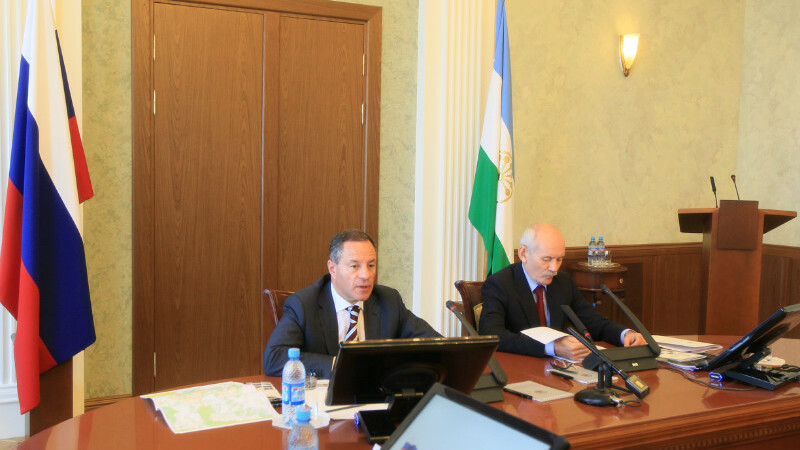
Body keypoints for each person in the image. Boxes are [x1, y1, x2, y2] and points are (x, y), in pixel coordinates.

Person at [263, 229, 440, 378]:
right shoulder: (304, 304)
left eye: (371, 265)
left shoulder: (388, 300)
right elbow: (274, 358)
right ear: (332, 268)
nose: (366, 275)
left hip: (376, 396)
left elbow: (436, 345)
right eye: (354, 266)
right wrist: (340, 365)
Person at [478, 222, 646, 361]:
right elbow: (492, 335)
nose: (554, 268)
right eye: (547, 259)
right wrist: (553, 347)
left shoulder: (563, 282)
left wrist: (624, 334)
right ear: (523, 254)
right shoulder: (500, 284)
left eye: (559, 259)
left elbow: (593, 322)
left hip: (560, 370)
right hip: (520, 369)